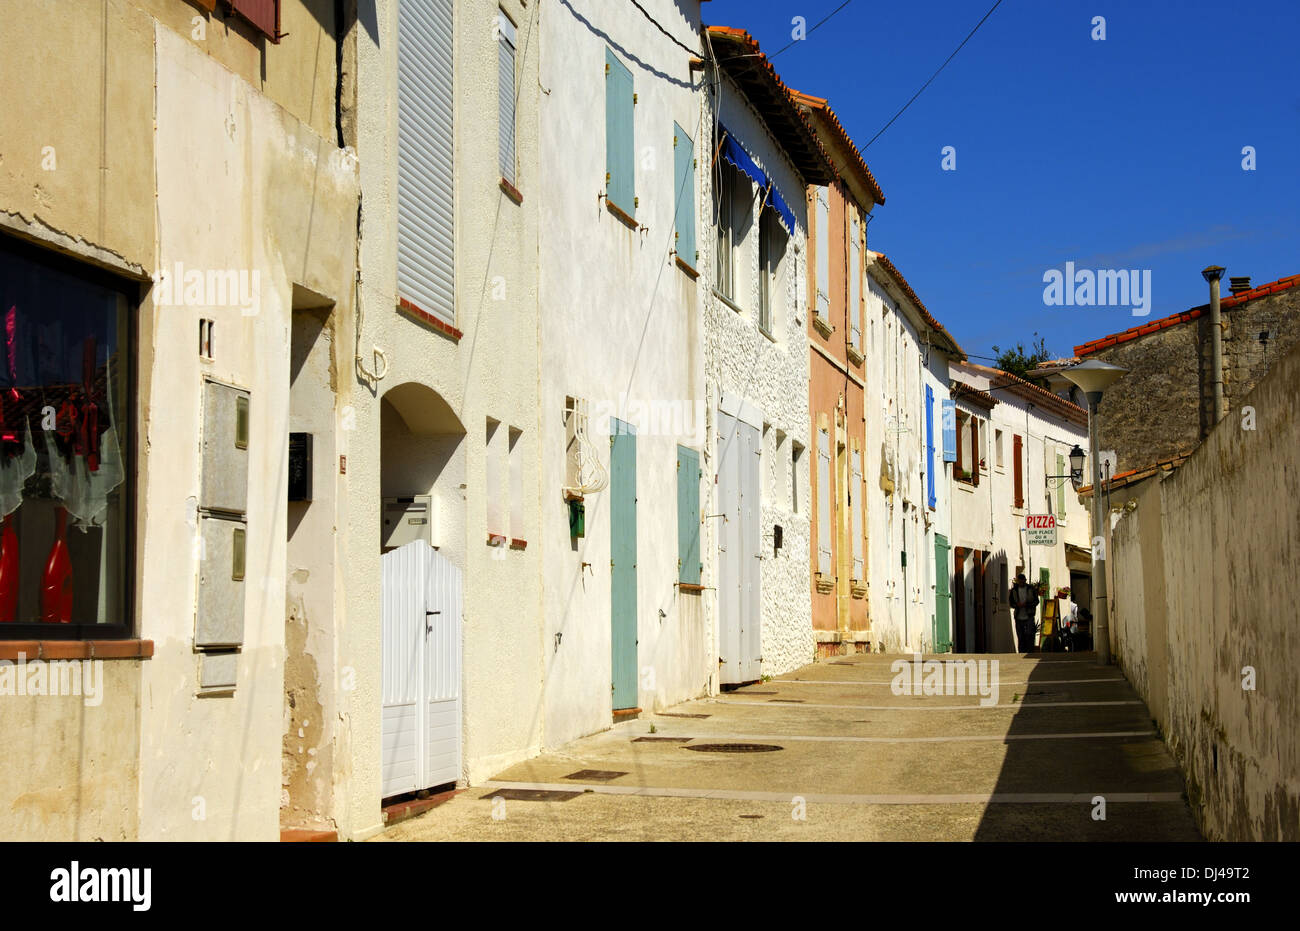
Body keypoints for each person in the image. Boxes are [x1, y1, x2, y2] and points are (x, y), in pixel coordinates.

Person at [1009, 572, 1040, 654]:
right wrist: (1017, 605)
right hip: (1018, 616)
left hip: (1029, 615)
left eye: (1023, 581)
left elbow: (1036, 601)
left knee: (1029, 635)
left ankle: (1030, 652)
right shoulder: (1014, 590)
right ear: (1017, 581)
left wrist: (1027, 605)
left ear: (1025, 580)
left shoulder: (1031, 589)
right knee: (1020, 636)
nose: (1021, 583)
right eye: (1020, 581)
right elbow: (1011, 603)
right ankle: (1021, 653)